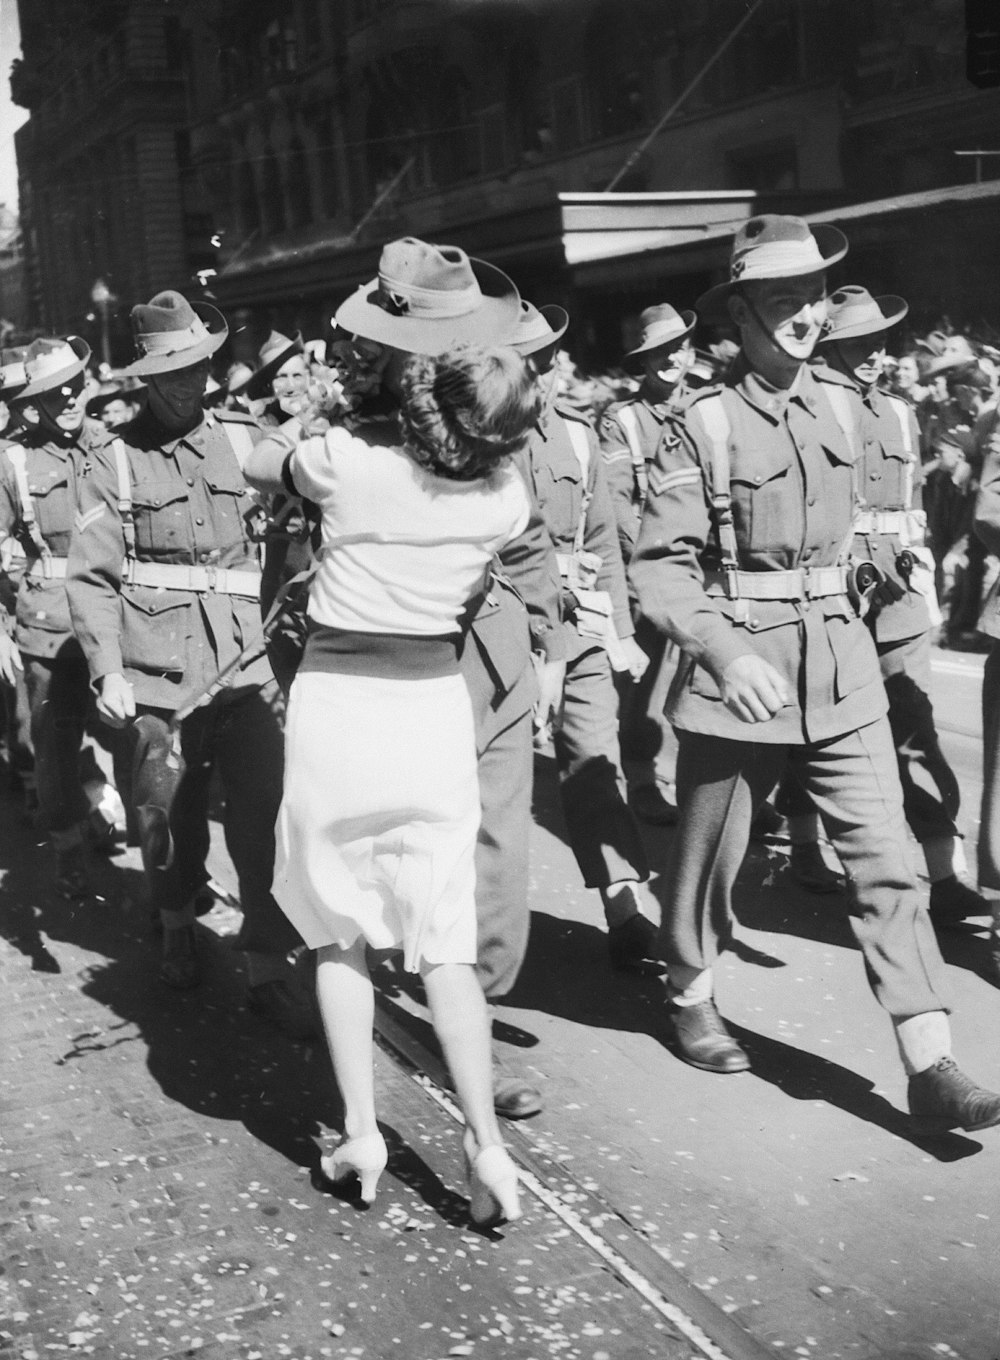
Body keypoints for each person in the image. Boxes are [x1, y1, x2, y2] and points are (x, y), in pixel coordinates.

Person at [630, 214, 1000, 1132]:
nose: (803, 317)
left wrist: (881, 593)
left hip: (841, 668)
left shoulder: (847, 405)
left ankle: (929, 1057)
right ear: (742, 315)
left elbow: (856, 538)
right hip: (739, 674)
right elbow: (663, 567)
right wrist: (723, 651)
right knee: (709, 861)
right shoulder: (700, 425)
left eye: (811, 299)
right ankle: (688, 990)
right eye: (782, 300)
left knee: (886, 861)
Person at [246, 262, 537, 1225]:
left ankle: (363, 1134)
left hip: (338, 705)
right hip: (428, 709)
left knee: (338, 932)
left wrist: (330, 405)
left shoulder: (342, 462)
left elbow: (260, 458)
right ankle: (488, 1150)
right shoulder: (505, 500)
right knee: (443, 936)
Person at [66, 290, 313, 1038]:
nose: (187, 383)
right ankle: (176, 920)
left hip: (248, 666)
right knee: (167, 819)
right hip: (158, 675)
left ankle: (267, 964)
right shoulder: (112, 457)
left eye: (198, 367)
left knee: (266, 821)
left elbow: (291, 551)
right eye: (170, 371)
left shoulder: (246, 441)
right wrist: (108, 670)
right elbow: (92, 577)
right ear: (143, 377)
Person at [513, 301, 659, 970]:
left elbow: (604, 538)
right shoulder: (475, 443)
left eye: (550, 359)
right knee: (500, 777)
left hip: (583, 622)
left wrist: (623, 632)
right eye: (533, 361)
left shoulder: (575, 437)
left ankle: (624, 907)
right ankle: (484, 926)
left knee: (595, 761)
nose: (548, 371)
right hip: (504, 625)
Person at [0, 337, 122, 896]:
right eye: (55, 392)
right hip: (50, 629)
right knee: (53, 747)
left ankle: (166, 865)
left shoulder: (115, 447)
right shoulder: (15, 461)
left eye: (75, 385)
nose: (70, 398)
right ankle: (70, 848)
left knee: (143, 741)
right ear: (34, 402)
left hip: (121, 623)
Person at [597, 304, 696, 826]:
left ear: (692, 353)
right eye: (658, 351)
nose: (669, 359)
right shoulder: (623, 421)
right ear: (644, 361)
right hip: (651, 566)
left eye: (677, 348)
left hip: (707, 566)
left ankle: (710, 789)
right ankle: (640, 777)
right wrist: (658, 559)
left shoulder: (706, 409)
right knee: (648, 685)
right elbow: (616, 505)